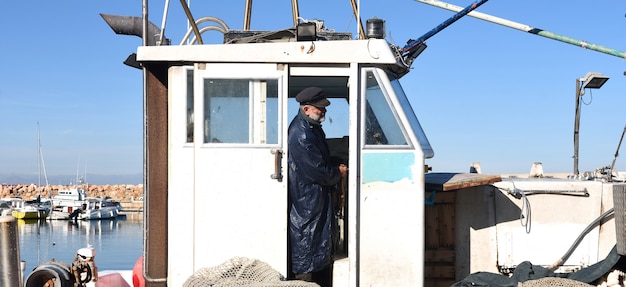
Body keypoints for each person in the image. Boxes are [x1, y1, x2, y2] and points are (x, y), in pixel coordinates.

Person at [287, 87, 348, 287]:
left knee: (317, 248)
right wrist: (337, 172)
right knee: (308, 250)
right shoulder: (302, 134)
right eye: (320, 108)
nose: (324, 111)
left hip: (313, 200)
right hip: (308, 201)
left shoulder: (311, 128)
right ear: (306, 109)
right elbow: (317, 171)